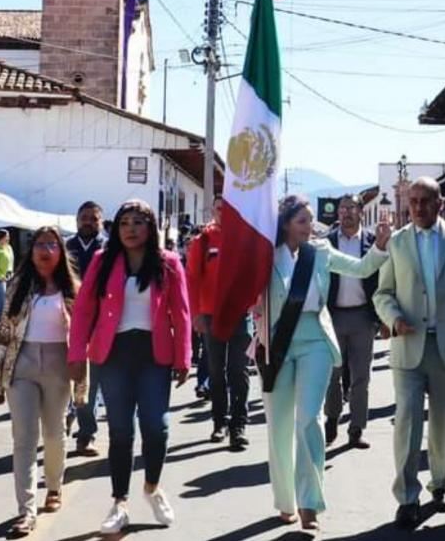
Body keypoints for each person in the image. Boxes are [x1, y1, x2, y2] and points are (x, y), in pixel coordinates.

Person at [256, 196, 390, 531]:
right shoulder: (263, 256)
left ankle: (309, 503)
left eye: (312, 220)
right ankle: (285, 499)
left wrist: (381, 245)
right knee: (280, 426)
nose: (310, 227)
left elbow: (360, 268)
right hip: (275, 344)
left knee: (309, 421)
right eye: (302, 220)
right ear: (285, 223)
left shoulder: (320, 252)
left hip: (315, 338)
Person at [373, 177, 445, 528]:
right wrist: (394, 320)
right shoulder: (397, 242)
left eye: (426, 200)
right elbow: (382, 294)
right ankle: (407, 497)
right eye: (413, 201)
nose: (419, 207)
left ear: (440, 203)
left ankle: (441, 484)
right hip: (409, 346)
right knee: (407, 421)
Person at [68, 200, 190, 534]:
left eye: (138, 222)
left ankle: (152, 487)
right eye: (124, 223)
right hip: (113, 354)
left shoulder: (168, 262)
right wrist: (76, 354)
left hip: (154, 354)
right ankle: (119, 502)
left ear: (150, 227)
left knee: (156, 425)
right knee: (120, 430)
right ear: (115, 229)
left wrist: (184, 357)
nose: (131, 229)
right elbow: (83, 310)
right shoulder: (101, 261)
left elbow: (181, 313)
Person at [0, 227, 79, 536]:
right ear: (31, 251)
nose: (45, 250)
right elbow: (4, 334)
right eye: (39, 244)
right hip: (22, 366)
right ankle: (25, 510)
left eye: (52, 244)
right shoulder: (18, 286)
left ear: (60, 251)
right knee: (24, 439)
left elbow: (82, 340)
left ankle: (54, 486)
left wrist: (82, 380)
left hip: (58, 366)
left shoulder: (71, 290)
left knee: (54, 434)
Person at [187, 196, 254, 451]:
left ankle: (239, 426)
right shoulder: (202, 241)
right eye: (219, 209)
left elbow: (255, 275)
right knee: (216, 371)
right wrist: (196, 314)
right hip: (211, 317)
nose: (224, 214)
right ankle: (219, 422)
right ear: (212, 211)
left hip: (240, 316)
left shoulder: (246, 241)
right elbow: (191, 279)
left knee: (239, 371)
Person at [323, 194, 384, 450]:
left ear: (361, 211)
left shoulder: (373, 243)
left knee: (361, 376)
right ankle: (333, 416)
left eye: (350, 208)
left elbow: (382, 280)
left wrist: (381, 319)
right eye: (342, 208)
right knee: (332, 373)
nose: (345, 212)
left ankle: (357, 428)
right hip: (333, 315)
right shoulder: (326, 243)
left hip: (362, 317)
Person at [65, 201, 108, 457]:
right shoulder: (66, 247)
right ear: (77, 220)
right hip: (67, 319)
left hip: (100, 322)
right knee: (65, 378)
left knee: (90, 381)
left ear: (101, 222)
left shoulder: (110, 249)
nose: (88, 222)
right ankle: (70, 414)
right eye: (84, 217)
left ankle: (86, 434)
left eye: (93, 218)